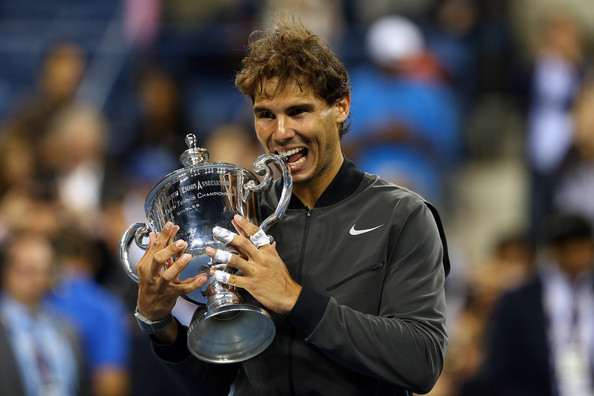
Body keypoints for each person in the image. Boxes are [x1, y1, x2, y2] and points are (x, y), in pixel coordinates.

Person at [133, 16, 450, 395]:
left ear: (341, 107)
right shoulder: (241, 214)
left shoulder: (403, 215)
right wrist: (159, 323)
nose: (281, 133)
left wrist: (295, 300)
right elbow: (217, 378)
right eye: (265, 114)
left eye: (298, 111)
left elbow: (421, 361)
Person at [481, 212, 594, 395]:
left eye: (586, 249)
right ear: (556, 251)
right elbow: (501, 370)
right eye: (574, 249)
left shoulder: (588, 293)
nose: (582, 257)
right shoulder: (519, 302)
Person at [0, 232, 90, 396]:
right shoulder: (5, 327)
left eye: (45, 271)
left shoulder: (67, 329)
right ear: (7, 271)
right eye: (28, 270)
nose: (38, 279)